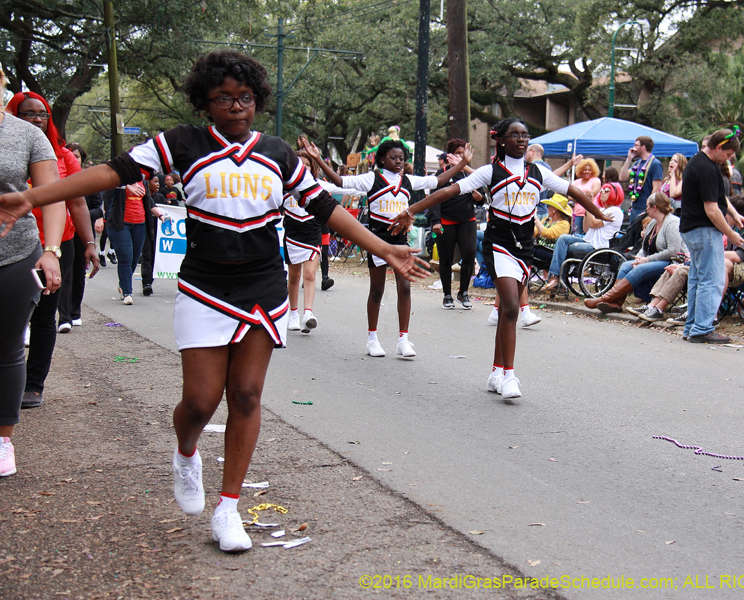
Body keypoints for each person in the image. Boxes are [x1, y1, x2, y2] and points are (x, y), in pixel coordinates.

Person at [0, 49, 428, 552]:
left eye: (245, 97)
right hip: (204, 286)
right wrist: (32, 198)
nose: (236, 106)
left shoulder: (278, 153)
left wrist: (383, 248)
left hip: (264, 288)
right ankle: (186, 453)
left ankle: (228, 508)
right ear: (206, 103)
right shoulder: (180, 142)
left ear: (257, 101)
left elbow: (325, 207)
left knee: (246, 395)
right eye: (223, 98)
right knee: (201, 403)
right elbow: (112, 172)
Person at [391, 117, 606, 400]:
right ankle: (509, 376)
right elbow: (449, 190)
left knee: (508, 310)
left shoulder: (539, 172)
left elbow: (574, 190)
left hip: (525, 245)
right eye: (514, 135)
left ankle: (495, 372)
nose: (521, 140)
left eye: (525, 135)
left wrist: (599, 213)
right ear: (500, 140)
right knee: (512, 308)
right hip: (500, 243)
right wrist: (411, 210)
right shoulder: (489, 171)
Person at [303, 136, 470, 357]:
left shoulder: (409, 181)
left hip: (400, 241)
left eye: (401, 158)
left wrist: (460, 165)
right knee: (377, 290)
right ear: (382, 159)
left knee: (405, 287)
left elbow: (438, 182)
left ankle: (404, 339)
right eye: (393, 157)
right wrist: (319, 160)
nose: (398, 161)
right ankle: (372, 338)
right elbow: (340, 182)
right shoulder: (371, 179)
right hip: (376, 241)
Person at [0, 61, 67, 476]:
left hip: (15, 254)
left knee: (6, 348)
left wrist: (53, 250)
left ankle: (3, 439)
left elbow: (54, 194)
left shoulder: (26, 134)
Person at [679, 127, 744, 344]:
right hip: (704, 229)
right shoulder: (706, 168)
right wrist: (731, 234)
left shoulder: (699, 163)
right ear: (718, 148)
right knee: (712, 280)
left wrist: (734, 214)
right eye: (727, 155)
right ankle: (702, 328)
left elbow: (720, 198)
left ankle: (692, 327)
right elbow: (712, 209)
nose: (727, 160)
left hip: (691, 228)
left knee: (698, 279)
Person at [586, 192, 682, 313]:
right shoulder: (653, 223)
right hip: (654, 259)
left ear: (654, 207)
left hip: (670, 261)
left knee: (640, 269)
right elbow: (644, 246)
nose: (646, 209)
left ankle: (606, 298)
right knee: (627, 265)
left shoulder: (672, 223)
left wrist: (646, 260)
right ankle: (616, 303)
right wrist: (639, 258)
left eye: (648, 206)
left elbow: (673, 251)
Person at [428, 139, 483, 310]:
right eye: (458, 153)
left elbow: (482, 197)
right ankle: (447, 295)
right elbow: (433, 199)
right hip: (445, 221)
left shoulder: (471, 175)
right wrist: (435, 221)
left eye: (463, 153)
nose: (461, 156)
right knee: (445, 258)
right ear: (450, 156)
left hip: (467, 220)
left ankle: (463, 292)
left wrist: (479, 198)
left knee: (469, 254)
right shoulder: (442, 173)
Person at [101, 178, 171, 303]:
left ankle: (123, 284)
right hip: (120, 224)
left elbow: (148, 201)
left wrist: (161, 215)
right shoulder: (118, 180)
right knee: (125, 257)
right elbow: (107, 192)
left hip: (140, 225)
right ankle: (127, 292)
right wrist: (125, 186)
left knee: (134, 257)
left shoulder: (142, 182)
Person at [542, 183, 621, 294]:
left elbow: (593, 224)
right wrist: (587, 210)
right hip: (588, 239)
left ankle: (556, 280)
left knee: (563, 246)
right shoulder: (601, 209)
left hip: (598, 245)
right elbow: (586, 228)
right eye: (602, 190)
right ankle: (556, 278)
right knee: (563, 238)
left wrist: (588, 204)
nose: (602, 192)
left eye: (606, 190)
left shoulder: (615, 211)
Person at [283, 150, 327, 333]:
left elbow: (344, 187)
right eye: (300, 164)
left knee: (309, 274)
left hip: (312, 233)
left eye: (307, 164)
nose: (304, 167)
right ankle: (293, 313)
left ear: (312, 167)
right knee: (294, 277)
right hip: (292, 234)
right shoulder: (284, 188)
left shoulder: (319, 186)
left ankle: (307, 314)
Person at [65, 142, 103, 326]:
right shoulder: (59, 177)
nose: (73, 158)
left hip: (81, 232)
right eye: (71, 155)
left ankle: (74, 311)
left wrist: (85, 216)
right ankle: (63, 315)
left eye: (77, 156)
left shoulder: (88, 181)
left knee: (79, 272)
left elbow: (97, 208)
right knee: (64, 273)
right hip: (63, 231)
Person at [619, 136, 663, 223]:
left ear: (643, 147)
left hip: (645, 208)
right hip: (634, 207)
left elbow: (656, 189)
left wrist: (649, 208)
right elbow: (622, 177)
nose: (633, 148)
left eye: (636, 145)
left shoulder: (655, 164)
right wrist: (629, 159)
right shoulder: (638, 163)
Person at [139, 175, 169, 296]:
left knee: (154, 255)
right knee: (146, 255)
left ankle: (150, 279)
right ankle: (146, 283)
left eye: (158, 182)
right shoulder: (142, 198)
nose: (158, 184)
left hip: (158, 232)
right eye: (155, 182)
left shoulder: (160, 198)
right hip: (145, 229)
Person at [570, 158, 602, 235]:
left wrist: (578, 197)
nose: (587, 172)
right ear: (581, 170)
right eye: (585, 170)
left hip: (591, 215)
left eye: (589, 170)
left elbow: (594, 192)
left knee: (588, 235)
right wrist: (584, 196)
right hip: (577, 214)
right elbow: (569, 196)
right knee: (576, 235)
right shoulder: (575, 182)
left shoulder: (595, 180)